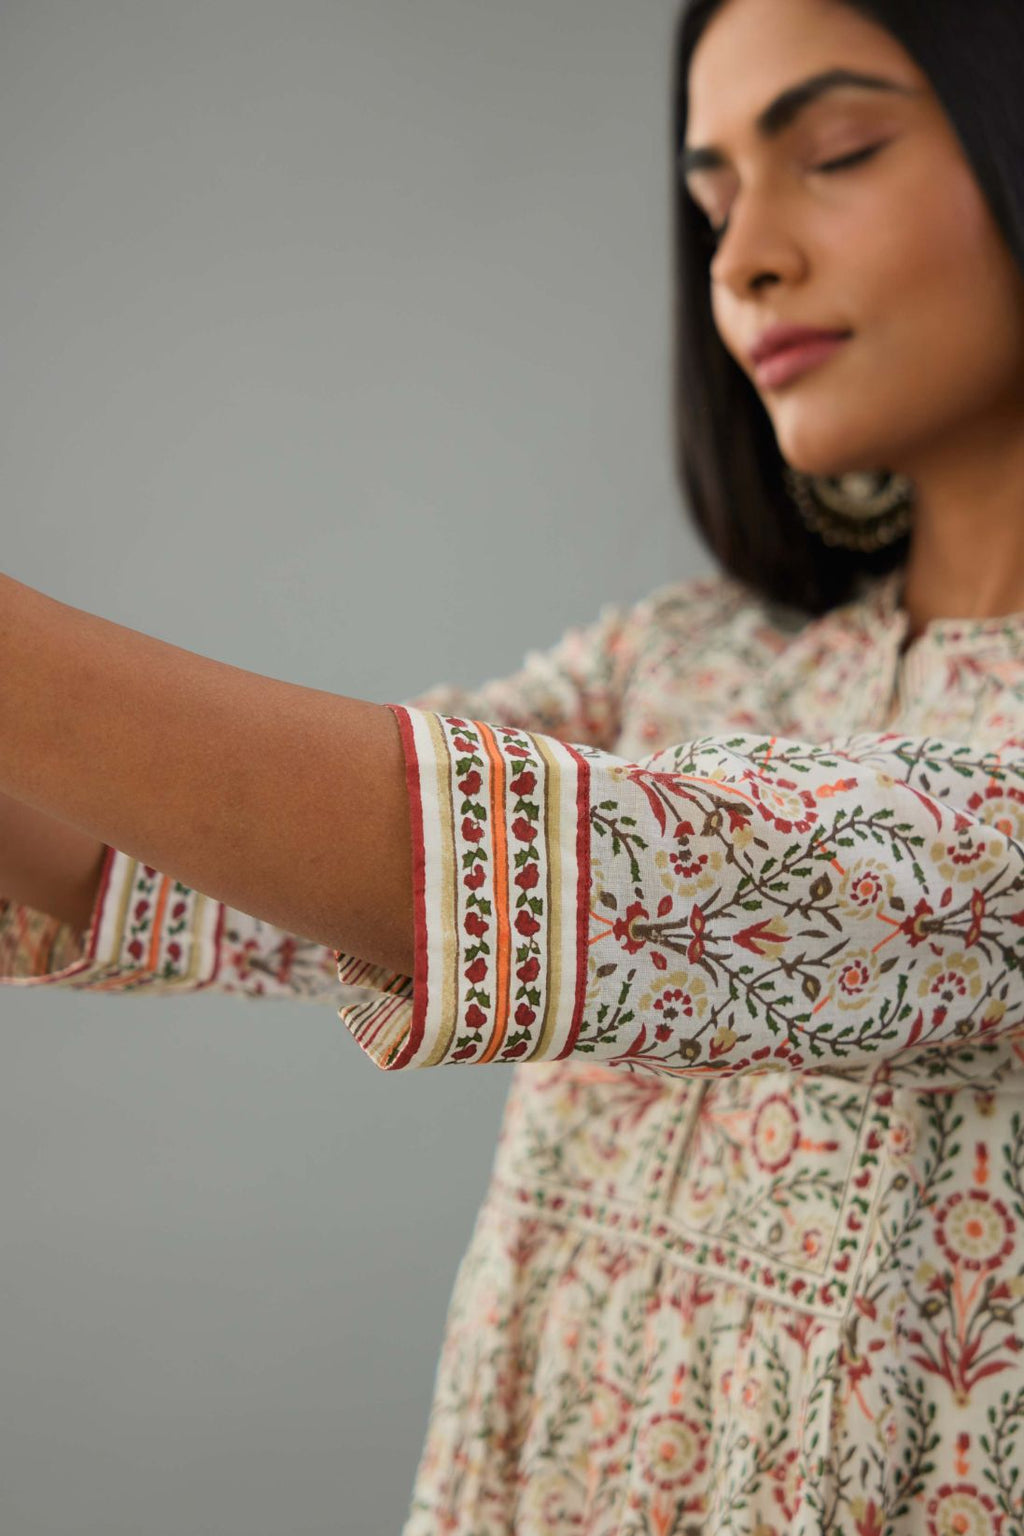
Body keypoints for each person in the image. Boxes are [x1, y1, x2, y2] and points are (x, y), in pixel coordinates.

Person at [2, 0, 1024, 1527]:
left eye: (840, 151)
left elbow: (640, 869)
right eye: (714, 198)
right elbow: (213, 865)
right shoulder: (680, 660)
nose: (743, 258)